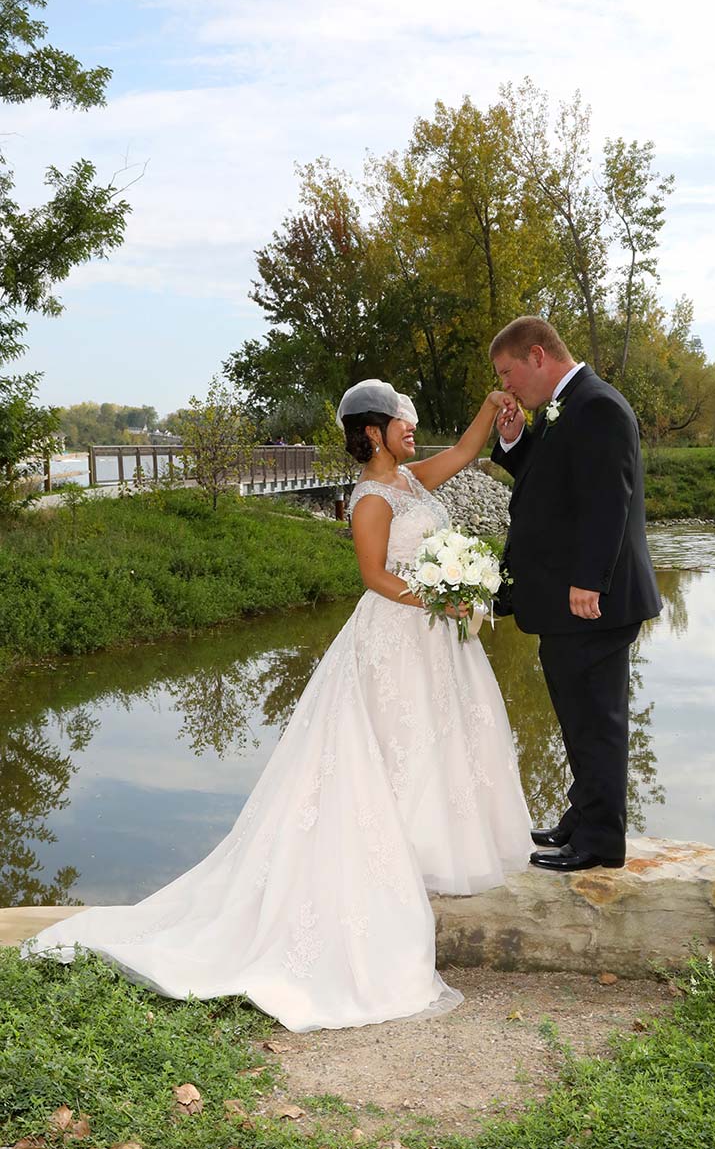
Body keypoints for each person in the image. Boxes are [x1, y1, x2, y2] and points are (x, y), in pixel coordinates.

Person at [24, 380, 532, 1032]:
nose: (412, 428)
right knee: (390, 747)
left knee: (433, 743)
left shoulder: (412, 479)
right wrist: (440, 598)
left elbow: (465, 451)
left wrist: (492, 406)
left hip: (433, 639)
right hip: (393, 635)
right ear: (373, 432)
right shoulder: (372, 498)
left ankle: (431, 851)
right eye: (403, 421)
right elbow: (376, 576)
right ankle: (391, 862)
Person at [489, 316, 661, 872]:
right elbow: (547, 482)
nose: (507, 386)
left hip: (590, 602)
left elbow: (609, 499)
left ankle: (602, 843)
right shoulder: (567, 409)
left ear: (537, 356)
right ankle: (582, 817)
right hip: (567, 606)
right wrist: (515, 440)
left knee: (597, 722)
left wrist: (589, 581)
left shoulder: (598, 407)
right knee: (577, 718)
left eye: (508, 372)